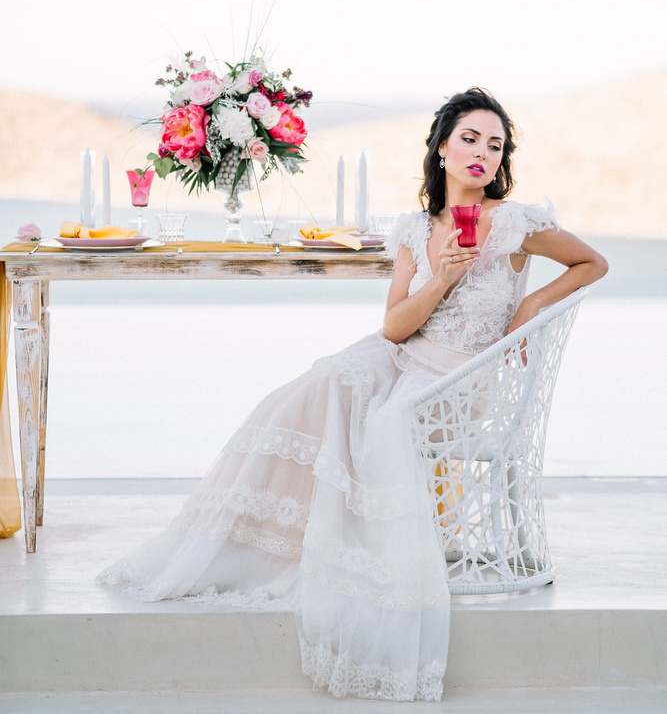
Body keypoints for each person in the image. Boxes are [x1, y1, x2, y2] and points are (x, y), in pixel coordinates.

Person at [97, 87, 608, 703]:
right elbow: (394, 326)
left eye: (495, 145)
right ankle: (246, 543)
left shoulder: (515, 223)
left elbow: (591, 264)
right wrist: (442, 274)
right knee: (314, 388)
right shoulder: (416, 230)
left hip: (458, 383)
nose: (482, 153)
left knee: (380, 425)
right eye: (469, 138)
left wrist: (529, 306)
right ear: (441, 148)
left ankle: (357, 567)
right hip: (401, 356)